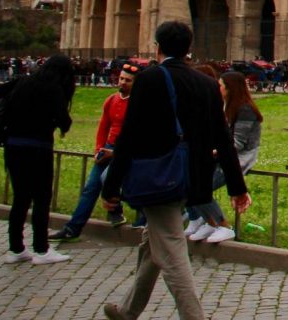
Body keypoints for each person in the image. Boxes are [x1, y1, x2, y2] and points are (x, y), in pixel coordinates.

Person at [101, 21, 251, 320]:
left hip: (159, 176)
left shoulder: (151, 78)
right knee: (151, 243)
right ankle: (128, 310)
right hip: (192, 176)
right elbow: (222, 137)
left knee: (170, 249)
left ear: (157, 46)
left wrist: (110, 187)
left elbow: (129, 135)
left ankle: (193, 316)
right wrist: (237, 186)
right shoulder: (207, 83)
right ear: (188, 48)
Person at [0, 54, 75, 265]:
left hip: (13, 146)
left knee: (20, 198)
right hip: (38, 148)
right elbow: (64, 121)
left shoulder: (24, 81)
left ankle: (16, 248)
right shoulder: (54, 89)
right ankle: (41, 249)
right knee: (41, 198)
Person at [51, 63, 139, 243]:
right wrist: (98, 149)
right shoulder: (111, 100)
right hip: (107, 147)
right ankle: (73, 228)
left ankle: (116, 210)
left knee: (106, 179)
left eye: (128, 80)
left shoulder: (137, 103)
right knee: (90, 188)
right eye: (121, 79)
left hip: (124, 150)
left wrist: (115, 153)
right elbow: (103, 126)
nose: (122, 83)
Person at [185, 70, 262, 244]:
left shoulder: (245, 109)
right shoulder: (224, 105)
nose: (216, 88)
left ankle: (225, 226)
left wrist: (212, 149)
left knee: (202, 186)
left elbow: (238, 143)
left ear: (230, 88)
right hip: (222, 154)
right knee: (192, 185)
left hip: (239, 157)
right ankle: (210, 222)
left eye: (219, 85)